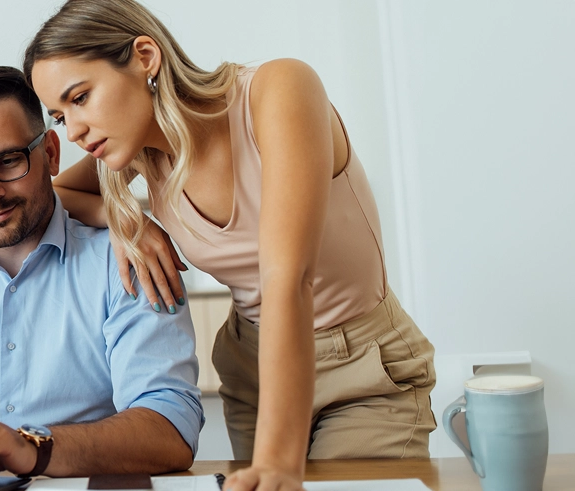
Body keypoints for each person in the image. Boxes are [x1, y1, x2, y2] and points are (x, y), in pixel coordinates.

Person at [23, 1, 437, 490]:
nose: (72, 131)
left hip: (363, 371)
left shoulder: (278, 90)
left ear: (145, 57)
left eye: (81, 97)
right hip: (253, 369)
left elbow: (288, 280)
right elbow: (57, 197)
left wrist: (278, 463)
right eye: (58, 115)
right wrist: (127, 224)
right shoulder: (138, 154)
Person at [0, 66, 203, 487]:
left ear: (50, 152)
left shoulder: (123, 263)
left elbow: (171, 432)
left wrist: (32, 447)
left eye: (8, 161)